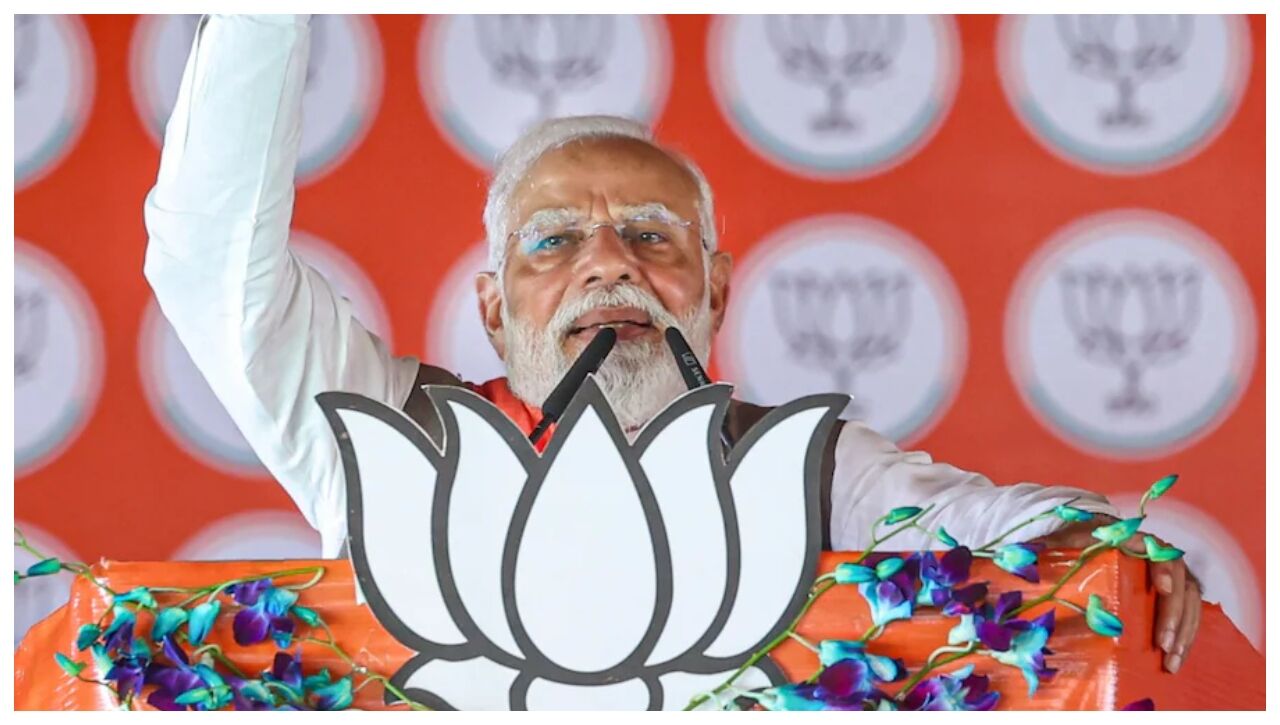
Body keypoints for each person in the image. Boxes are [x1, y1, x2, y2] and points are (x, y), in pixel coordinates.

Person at [142, 14, 1200, 673]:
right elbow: (206, 259)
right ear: (494, 309)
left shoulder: (810, 467)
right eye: (553, 240)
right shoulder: (387, 437)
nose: (609, 263)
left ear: (716, 290)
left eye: (651, 236)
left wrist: (1102, 542)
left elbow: (990, 523)